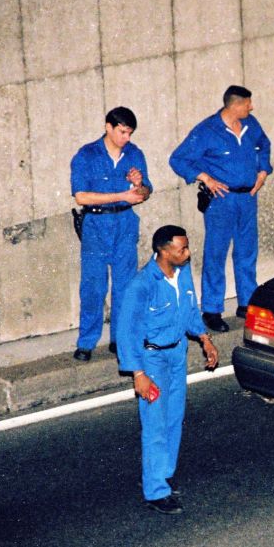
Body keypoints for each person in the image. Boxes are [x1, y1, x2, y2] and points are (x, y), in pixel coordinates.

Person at [116, 225, 219, 514]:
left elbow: (190, 310)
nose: (187, 253)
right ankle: (155, 491)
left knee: (174, 417)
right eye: (181, 249)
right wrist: (138, 374)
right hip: (152, 361)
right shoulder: (141, 285)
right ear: (163, 251)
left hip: (177, 354)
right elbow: (126, 332)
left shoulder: (182, 273)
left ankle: (163, 474)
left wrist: (205, 339)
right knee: (155, 423)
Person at [169, 85, 272, 333]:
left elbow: (264, 145)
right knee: (216, 253)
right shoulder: (207, 131)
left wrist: (263, 171)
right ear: (235, 105)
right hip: (221, 201)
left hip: (247, 198)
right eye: (247, 103)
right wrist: (205, 178)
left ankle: (247, 302)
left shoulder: (250, 124)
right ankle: (212, 310)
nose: (251, 107)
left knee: (247, 251)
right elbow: (178, 159)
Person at [70, 106, 152, 361]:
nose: (127, 138)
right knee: (93, 286)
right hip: (96, 223)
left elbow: (146, 192)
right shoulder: (86, 155)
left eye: (130, 133)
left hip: (125, 222)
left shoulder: (134, 153)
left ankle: (120, 338)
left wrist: (139, 185)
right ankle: (86, 342)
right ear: (108, 127)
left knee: (125, 285)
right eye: (122, 132)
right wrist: (122, 195)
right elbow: (81, 196)